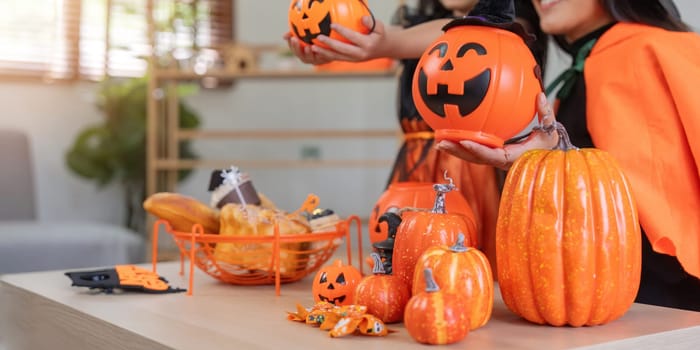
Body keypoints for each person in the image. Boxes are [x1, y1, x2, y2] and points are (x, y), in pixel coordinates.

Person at [436, 0, 700, 312]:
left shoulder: (659, 47)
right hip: (609, 298)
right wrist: (537, 159)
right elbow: (604, 182)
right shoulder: (588, 65)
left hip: (670, 302)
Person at [285, 1, 532, 268]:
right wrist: (337, 45)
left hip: (472, 166)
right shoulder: (415, 20)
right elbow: (382, 44)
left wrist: (387, 41)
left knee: (462, 266)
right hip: (412, 163)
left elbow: (472, 32)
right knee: (401, 261)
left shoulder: (516, 20)